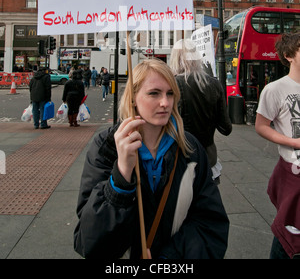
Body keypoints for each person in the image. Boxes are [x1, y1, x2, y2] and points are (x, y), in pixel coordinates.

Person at [74, 58, 229, 259]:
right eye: (154, 93)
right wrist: (120, 177)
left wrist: (168, 259)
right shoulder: (106, 148)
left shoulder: (189, 147)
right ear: (133, 98)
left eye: (170, 93)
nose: (165, 103)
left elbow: (210, 223)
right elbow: (90, 243)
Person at [255, 32, 300, 259]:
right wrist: (293, 142)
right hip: (293, 172)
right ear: (288, 55)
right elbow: (261, 126)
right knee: (289, 231)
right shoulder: (275, 89)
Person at [170, 39, 232, 184]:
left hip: (178, 158)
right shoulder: (214, 84)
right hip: (208, 158)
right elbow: (226, 128)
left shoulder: (171, 84)